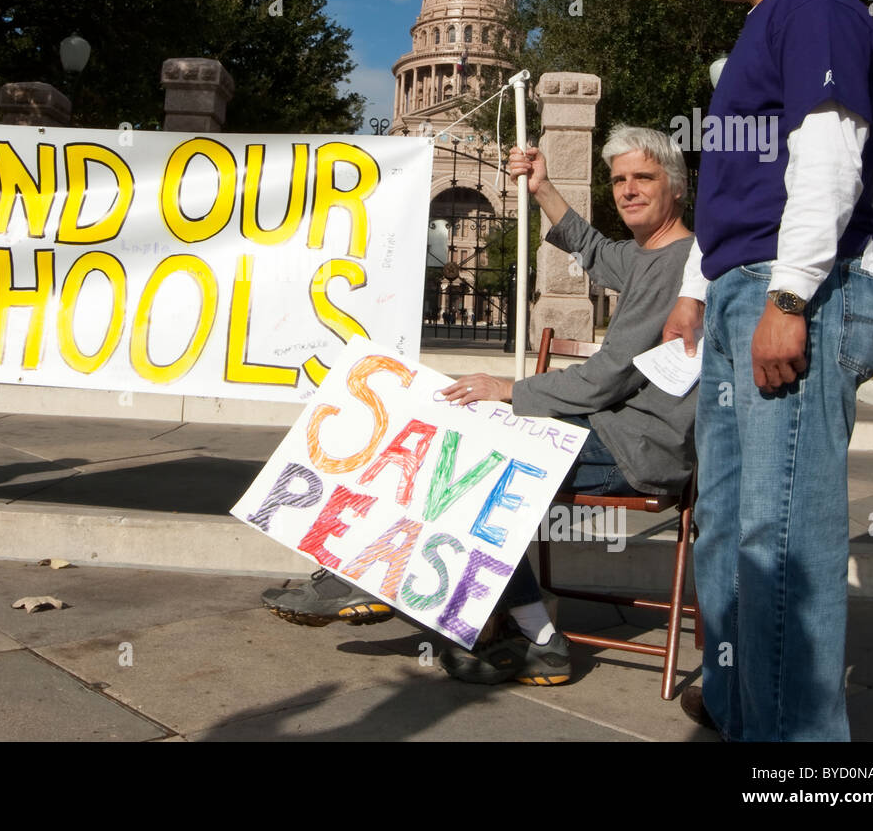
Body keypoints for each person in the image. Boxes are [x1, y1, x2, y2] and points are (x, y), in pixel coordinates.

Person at [262, 126, 697, 687]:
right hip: (606, 431)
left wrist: (509, 389)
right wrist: (541, 188)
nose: (628, 190)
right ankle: (434, 597)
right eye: (618, 179)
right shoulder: (647, 256)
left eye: (644, 177)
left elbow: (605, 379)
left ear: (678, 188)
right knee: (453, 440)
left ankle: (387, 582)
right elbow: (590, 247)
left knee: (474, 470)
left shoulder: (680, 264)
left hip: (637, 449)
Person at [662, 0, 873, 742]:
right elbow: (733, 190)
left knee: (782, 537)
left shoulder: (818, 8)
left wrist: (789, 298)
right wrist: (696, 291)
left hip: (799, 290)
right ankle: (738, 706)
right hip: (739, 289)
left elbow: (828, 155)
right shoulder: (759, 34)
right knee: (727, 524)